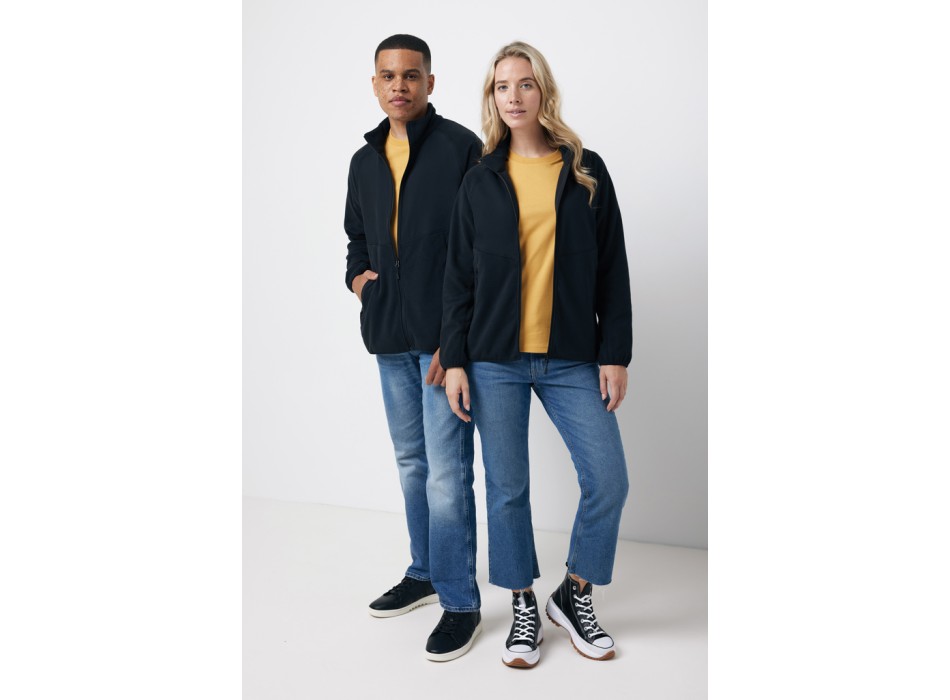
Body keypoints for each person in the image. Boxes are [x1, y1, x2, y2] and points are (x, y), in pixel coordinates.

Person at [440, 41, 632, 668]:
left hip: (572, 355)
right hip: (493, 358)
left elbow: (612, 268)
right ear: (491, 97)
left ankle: (573, 594)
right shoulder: (480, 179)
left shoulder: (584, 168)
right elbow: (458, 278)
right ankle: (523, 601)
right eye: (502, 86)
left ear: (543, 90)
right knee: (507, 488)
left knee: (608, 479)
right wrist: (456, 359)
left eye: (525, 83)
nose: (514, 96)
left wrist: (615, 353)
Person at [344, 34, 484, 661]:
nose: (398, 85)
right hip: (389, 338)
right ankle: (424, 572)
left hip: (443, 345)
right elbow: (356, 237)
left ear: (430, 82)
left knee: (448, 473)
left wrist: (455, 343)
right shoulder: (364, 160)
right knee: (411, 463)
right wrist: (360, 282)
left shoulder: (461, 148)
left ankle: (460, 601)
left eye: (410, 75)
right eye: (387, 75)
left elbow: (483, 247)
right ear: (375, 83)